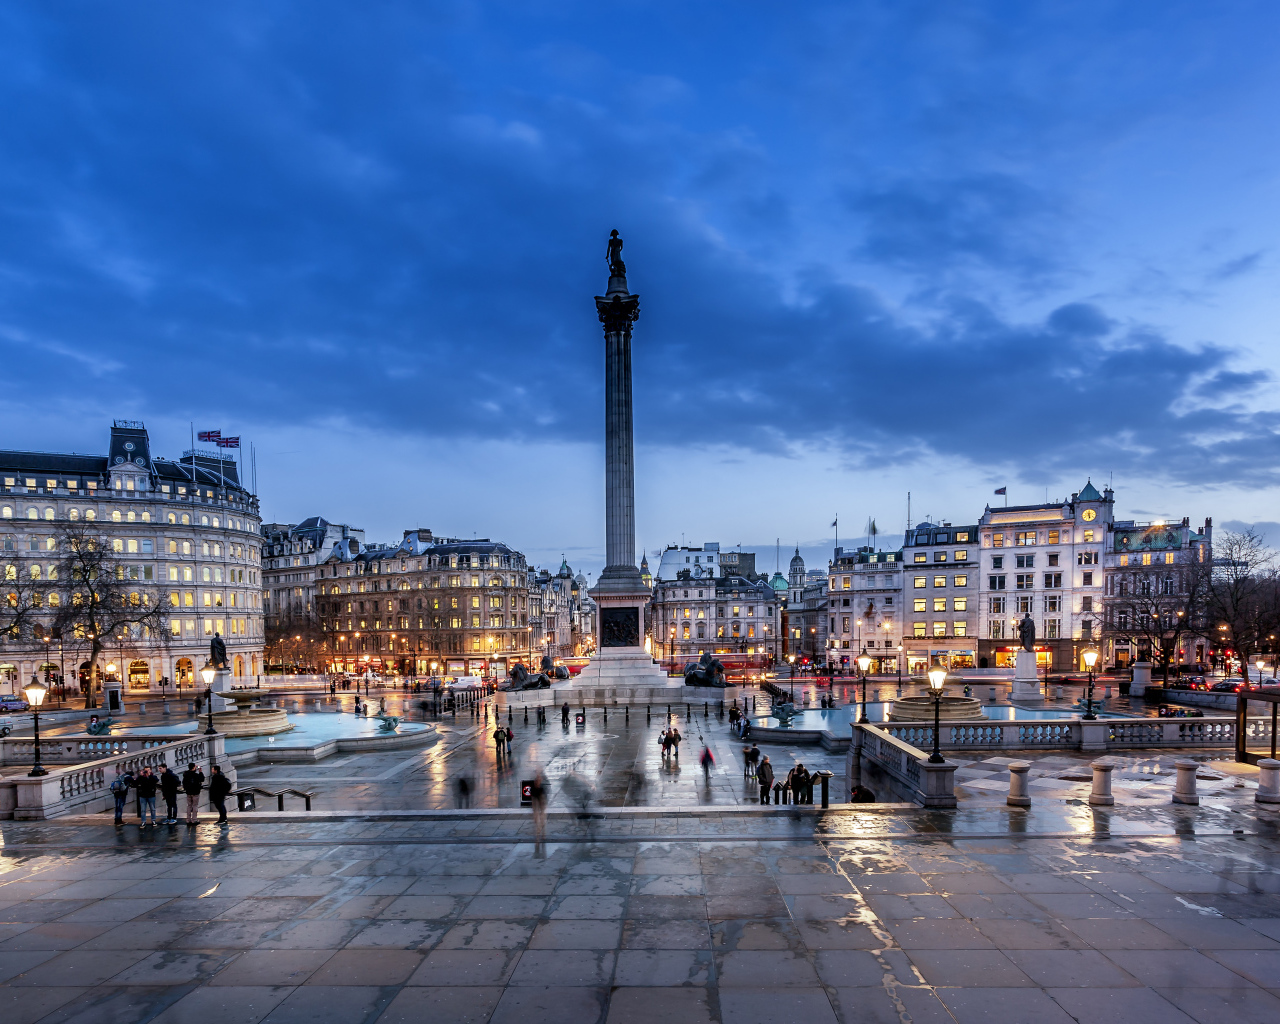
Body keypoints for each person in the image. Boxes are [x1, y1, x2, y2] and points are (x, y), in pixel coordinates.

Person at [529, 772, 548, 858]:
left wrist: (542, 810)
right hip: (537, 800)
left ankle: (542, 833)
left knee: (542, 819)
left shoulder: (542, 788)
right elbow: (533, 801)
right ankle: (538, 837)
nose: (538, 782)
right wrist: (535, 813)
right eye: (537, 781)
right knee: (537, 821)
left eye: (539, 781)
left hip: (541, 800)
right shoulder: (533, 789)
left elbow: (543, 800)